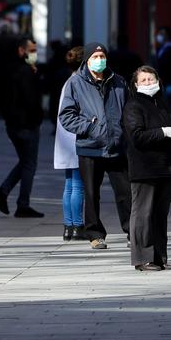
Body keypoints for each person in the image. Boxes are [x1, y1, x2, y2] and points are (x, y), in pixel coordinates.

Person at [59, 43, 132, 250]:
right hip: (90, 147)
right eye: (95, 56)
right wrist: (90, 128)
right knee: (91, 193)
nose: (100, 60)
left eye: (102, 56)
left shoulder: (118, 81)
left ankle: (131, 231)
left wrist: (124, 132)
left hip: (117, 146)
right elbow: (66, 116)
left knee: (125, 192)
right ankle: (95, 233)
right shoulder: (76, 83)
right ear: (88, 60)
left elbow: (128, 110)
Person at [123, 65, 171, 271]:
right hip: (144, 168)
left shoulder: (162, 103)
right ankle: (142, 258)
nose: (149, 83)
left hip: (165, 168)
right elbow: (137, 136)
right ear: (136, 84)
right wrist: (164, 132)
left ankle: (159, 257)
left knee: (160, 215)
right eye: (144, 80)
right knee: (142, 214)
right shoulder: (133, 105)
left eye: (151, 79)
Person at [0, 37, 45, 218]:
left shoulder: (6, 69)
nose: (34, 54)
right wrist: (38, 118)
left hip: (13, 124)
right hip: (26, 124)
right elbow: (31, 99)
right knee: (29, 164)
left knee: (24, 162)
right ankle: (22, 204)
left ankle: (3, 192)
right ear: (21, 51)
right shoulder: (25, 72)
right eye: (31, 50)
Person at [54, 46, 85, 241]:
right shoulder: (78, 82)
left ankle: (68, 226)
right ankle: (77, 225)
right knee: (78, 185)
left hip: (66, 140)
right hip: (76, 139)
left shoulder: (69, 81)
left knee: (69, 185)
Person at [153, 26, 171, 100]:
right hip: (160, 80)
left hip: (169, 81)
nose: (159, 36)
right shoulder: (160, 48)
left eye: (162, 34)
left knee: (169, 101)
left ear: (167, 35)